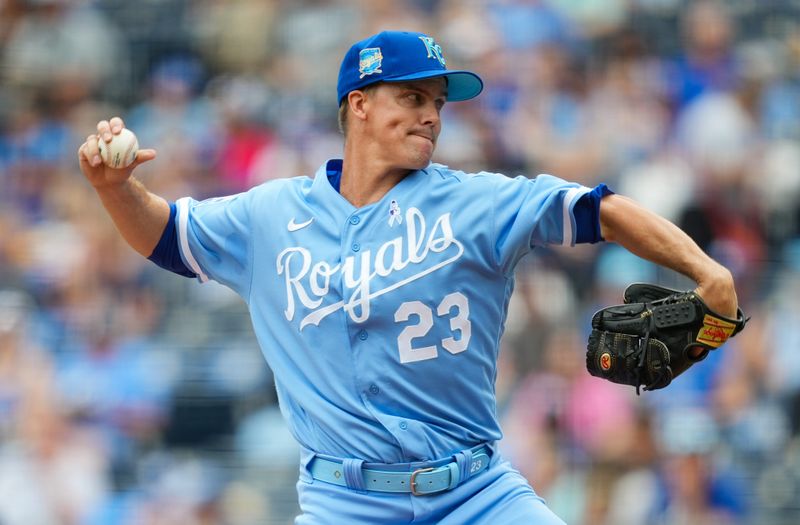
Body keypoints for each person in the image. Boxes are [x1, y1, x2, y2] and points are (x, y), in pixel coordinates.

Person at [77, 30, 739, 525]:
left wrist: (707, 271)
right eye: (412, 96)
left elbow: (602, 210)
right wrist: (113, 188)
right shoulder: (271, 216)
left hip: (477, 494)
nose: (431, 114)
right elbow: (163, 234)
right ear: (358, 104)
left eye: (438, 102)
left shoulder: (476, 203)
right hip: (344, 501)